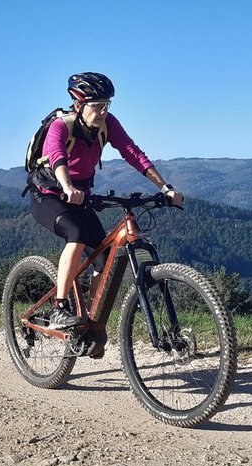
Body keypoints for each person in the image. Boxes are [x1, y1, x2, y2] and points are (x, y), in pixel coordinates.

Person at [27, 72, 184, 328]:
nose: (102, 111)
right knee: (76, 233)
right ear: (78, 105)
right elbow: (57, 157)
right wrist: (67, 186)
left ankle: (88, 319)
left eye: (107, 104)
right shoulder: (60, 126)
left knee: (104, 258)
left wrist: (165, 187)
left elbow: (132, 153)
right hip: (48, 196)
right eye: (96, 106)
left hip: (80, 197)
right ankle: (60, 307)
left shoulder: (107, 123)